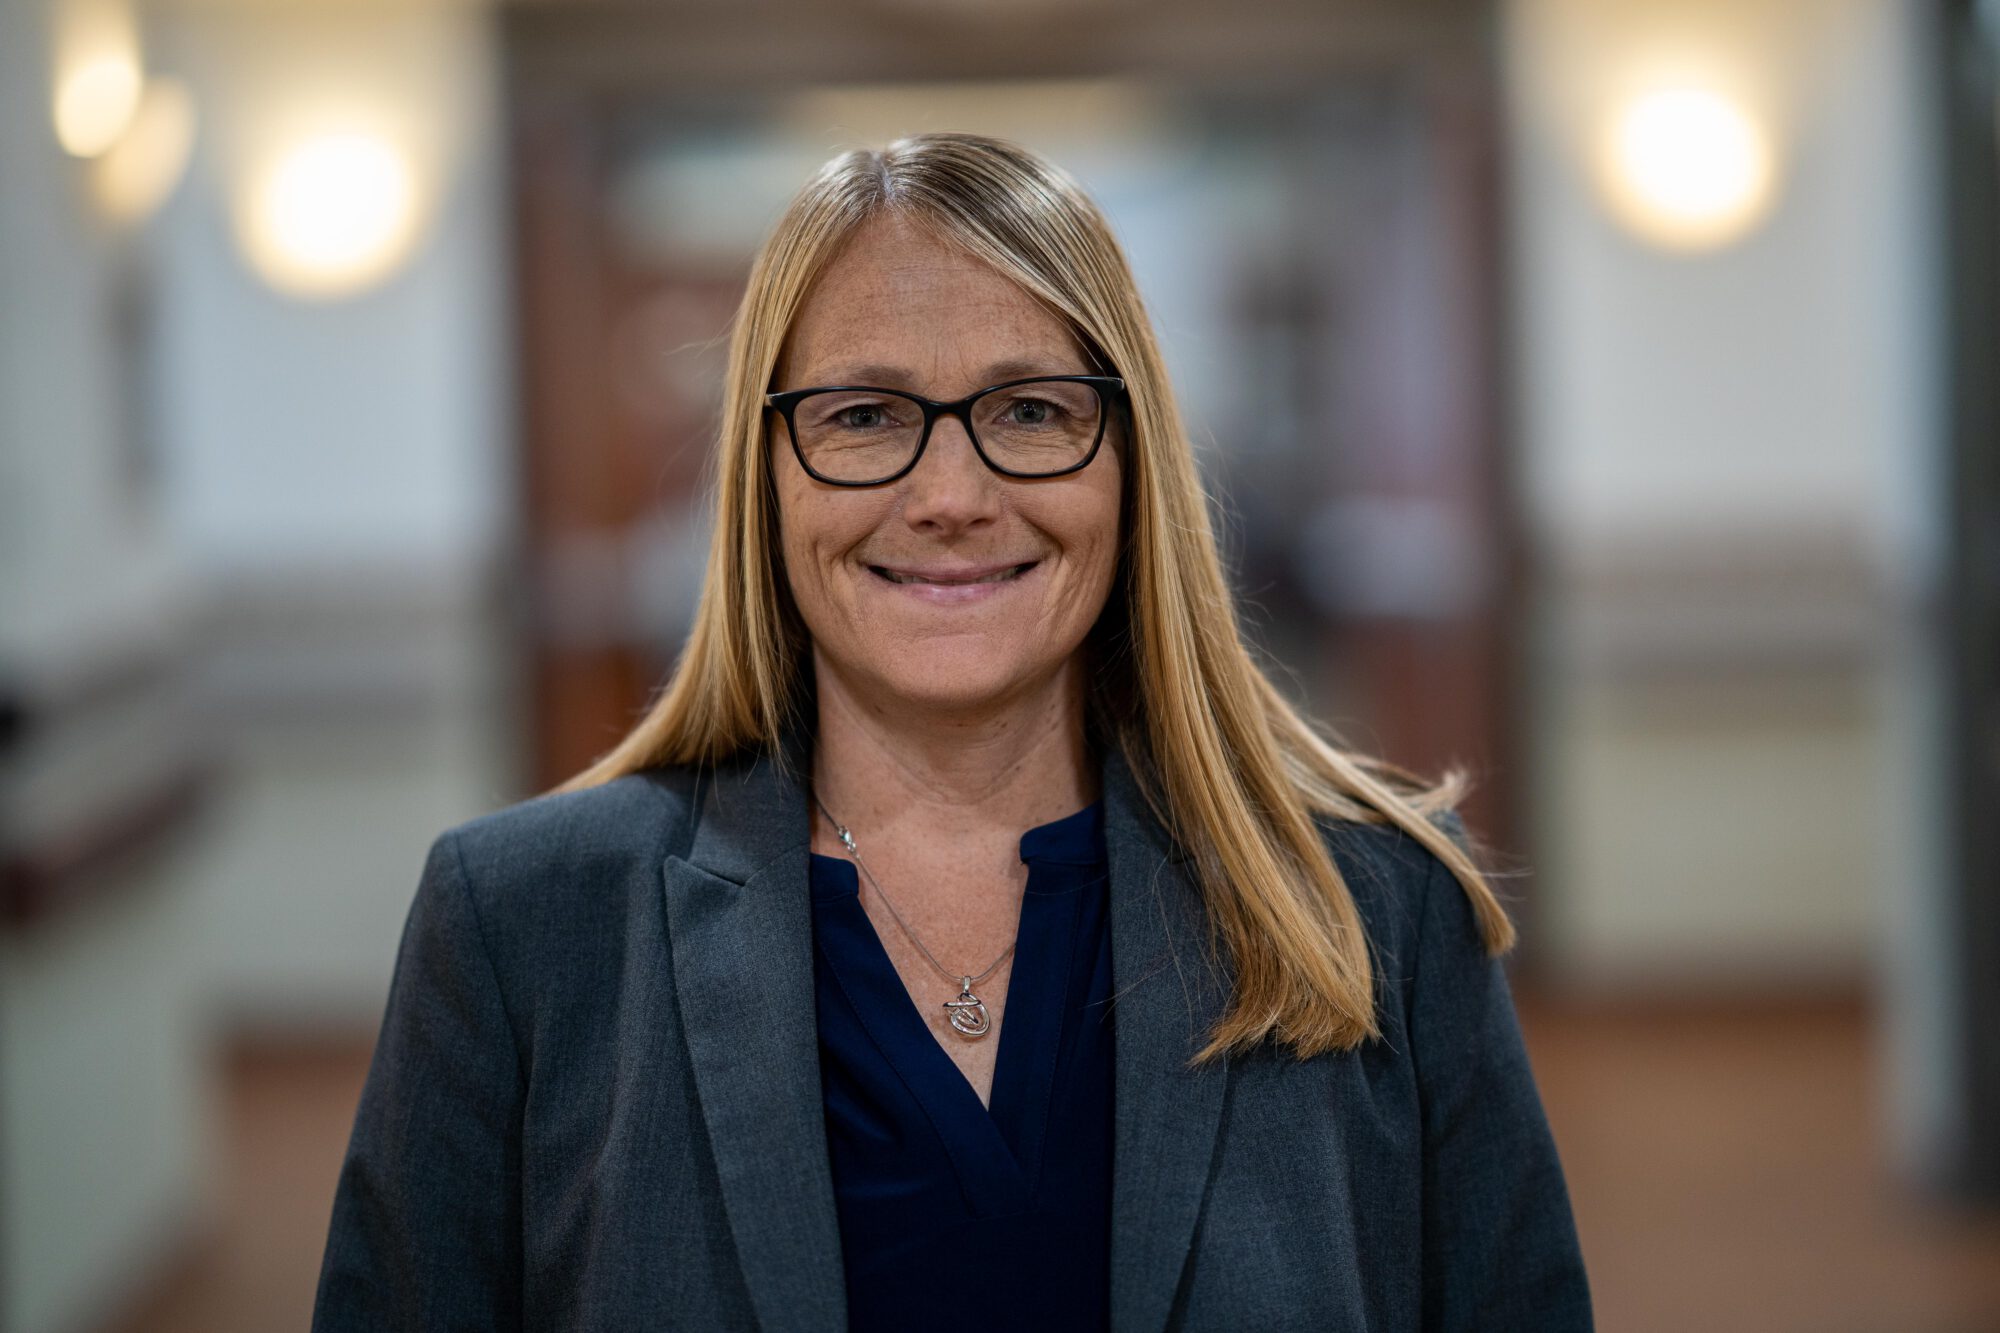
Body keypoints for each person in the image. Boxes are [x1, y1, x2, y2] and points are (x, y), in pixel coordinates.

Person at [312, 131, 1592, 1332]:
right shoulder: (522, 927)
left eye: (1031, 410)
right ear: (765, 475)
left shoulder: (1381, 905)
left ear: (1128, 461)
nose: (949, 496)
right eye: (862, 416)